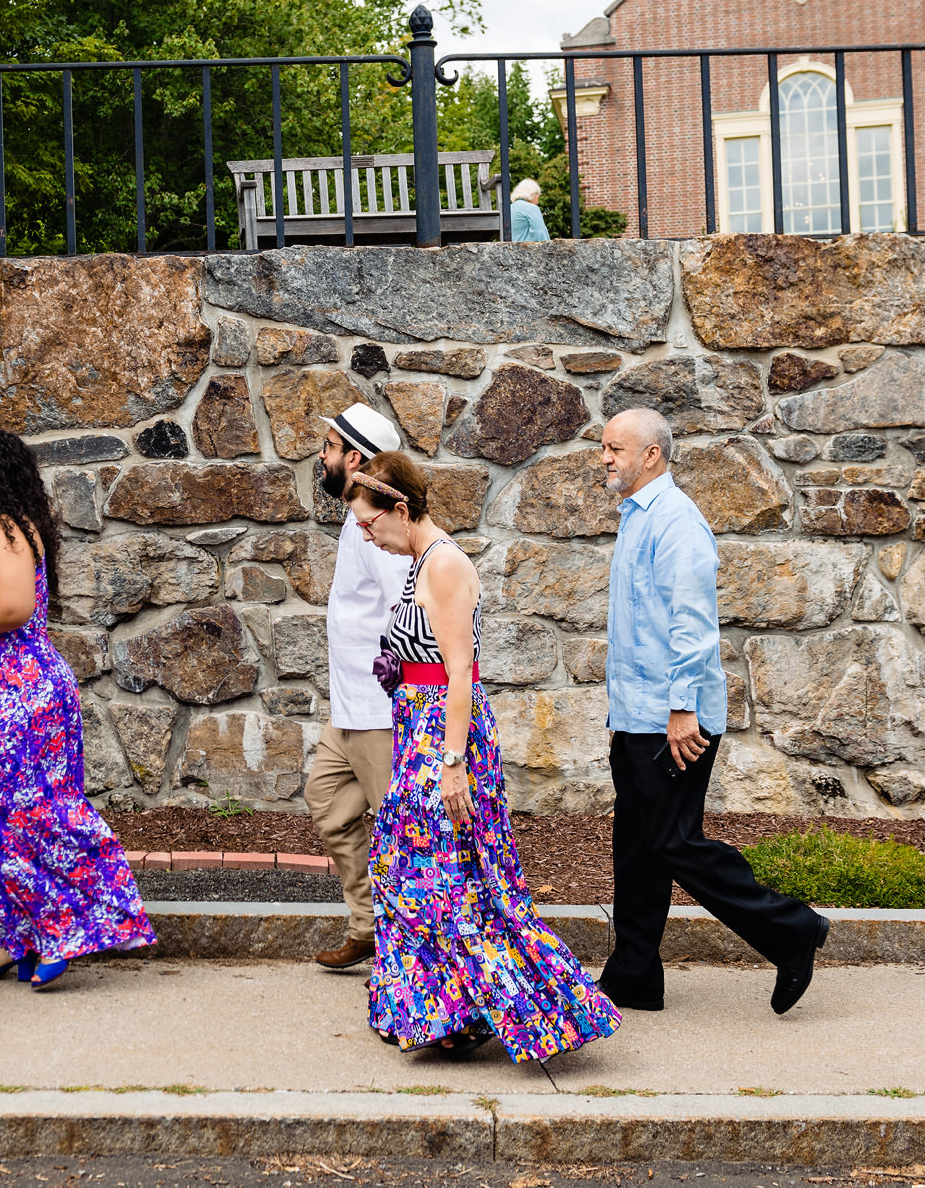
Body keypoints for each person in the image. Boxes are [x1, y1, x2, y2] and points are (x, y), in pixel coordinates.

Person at [347, 452, 622, 1062]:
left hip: (441, 740)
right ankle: (449, 1014)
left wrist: (451, 764)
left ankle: (527, 1011)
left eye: (370, 524)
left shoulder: (443, 563)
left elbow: (460, 672)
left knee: (436, 881)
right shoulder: (421, 560)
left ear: (399, 508)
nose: (366, 535)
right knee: (430, 879)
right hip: (420, 734)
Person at [595, 407, 830, 1015]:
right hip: (635, 716)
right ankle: (634, 975)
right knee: (637, 847)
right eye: (604, 448)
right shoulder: (636, 519)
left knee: (672, 842)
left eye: (615, 448)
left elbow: (693, 628)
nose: (605, 458)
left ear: (652, 454)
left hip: (673, 720)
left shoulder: (677, 523)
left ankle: (792, 930)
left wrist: (680, 710)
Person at [0, 426, 156, 989]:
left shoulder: (1, 529)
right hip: (10, 692)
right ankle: (11, 938)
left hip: (27, 696)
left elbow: (16, 607)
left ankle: (57, 926)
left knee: (2, 811)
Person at [307, 404, 413, 971]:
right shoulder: (356, 519)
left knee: (400, 830)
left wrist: (396, 684)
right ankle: (368, 925)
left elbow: (406, 602)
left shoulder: (379, 528)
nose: (320, 457)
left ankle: (404, 945)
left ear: (353, 457)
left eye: (327, 447)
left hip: (380, 708)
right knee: (326, 803)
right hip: (347, 705)